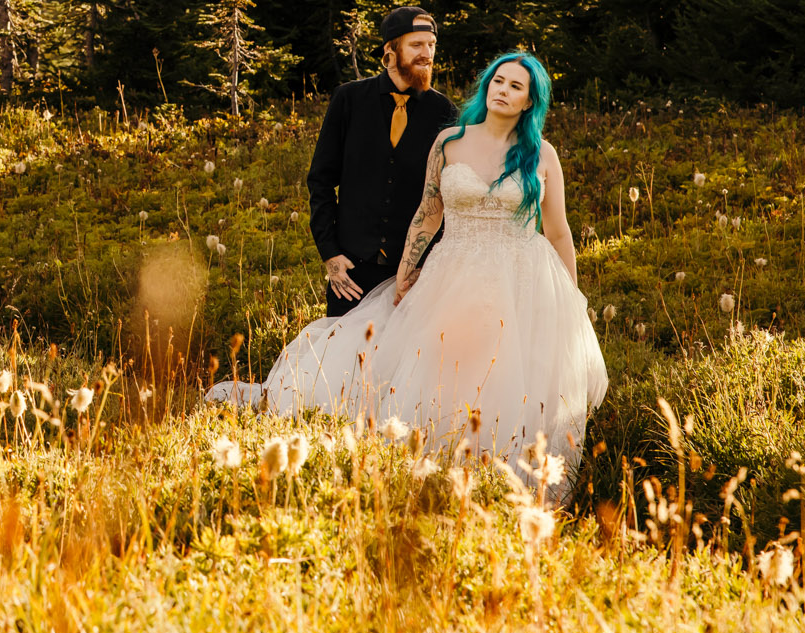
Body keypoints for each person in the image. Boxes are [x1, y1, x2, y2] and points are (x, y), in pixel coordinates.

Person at [206, 51, 609, 507]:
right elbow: (427, 213)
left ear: (529, 101)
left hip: (523, 278)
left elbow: (557, 231)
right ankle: (436, 467)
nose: (503, 90)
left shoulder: (542, 153)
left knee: (515, 375)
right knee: (443, 367)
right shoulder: (450, 142)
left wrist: (572, 302)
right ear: (486, 86)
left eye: (517, 87)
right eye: (498, 81)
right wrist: (406, 272)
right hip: (455, 271)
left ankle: (505, 478)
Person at [305, 6, 457, 319]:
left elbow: (447, 196)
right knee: (346, 364)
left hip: (414, 273)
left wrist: (430, 267)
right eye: (416, 45)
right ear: (390, 50)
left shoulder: (444, 111)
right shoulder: (348, 99)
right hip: (351, 273)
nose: (426, 54)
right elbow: (320, 179)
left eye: (431, 45)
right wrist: (330, 253)